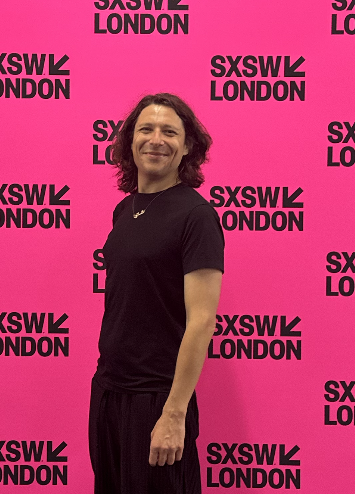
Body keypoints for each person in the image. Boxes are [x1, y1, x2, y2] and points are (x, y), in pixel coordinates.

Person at [89, 93, 224, 494]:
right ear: (130, 141)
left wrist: (174, 413)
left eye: (170, 132)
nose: (156, 139)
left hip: (158, 398)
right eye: (146, 129)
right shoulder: (125, 210)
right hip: (109, 390)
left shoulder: (196, 216)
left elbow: (202, 321)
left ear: (187, 146)